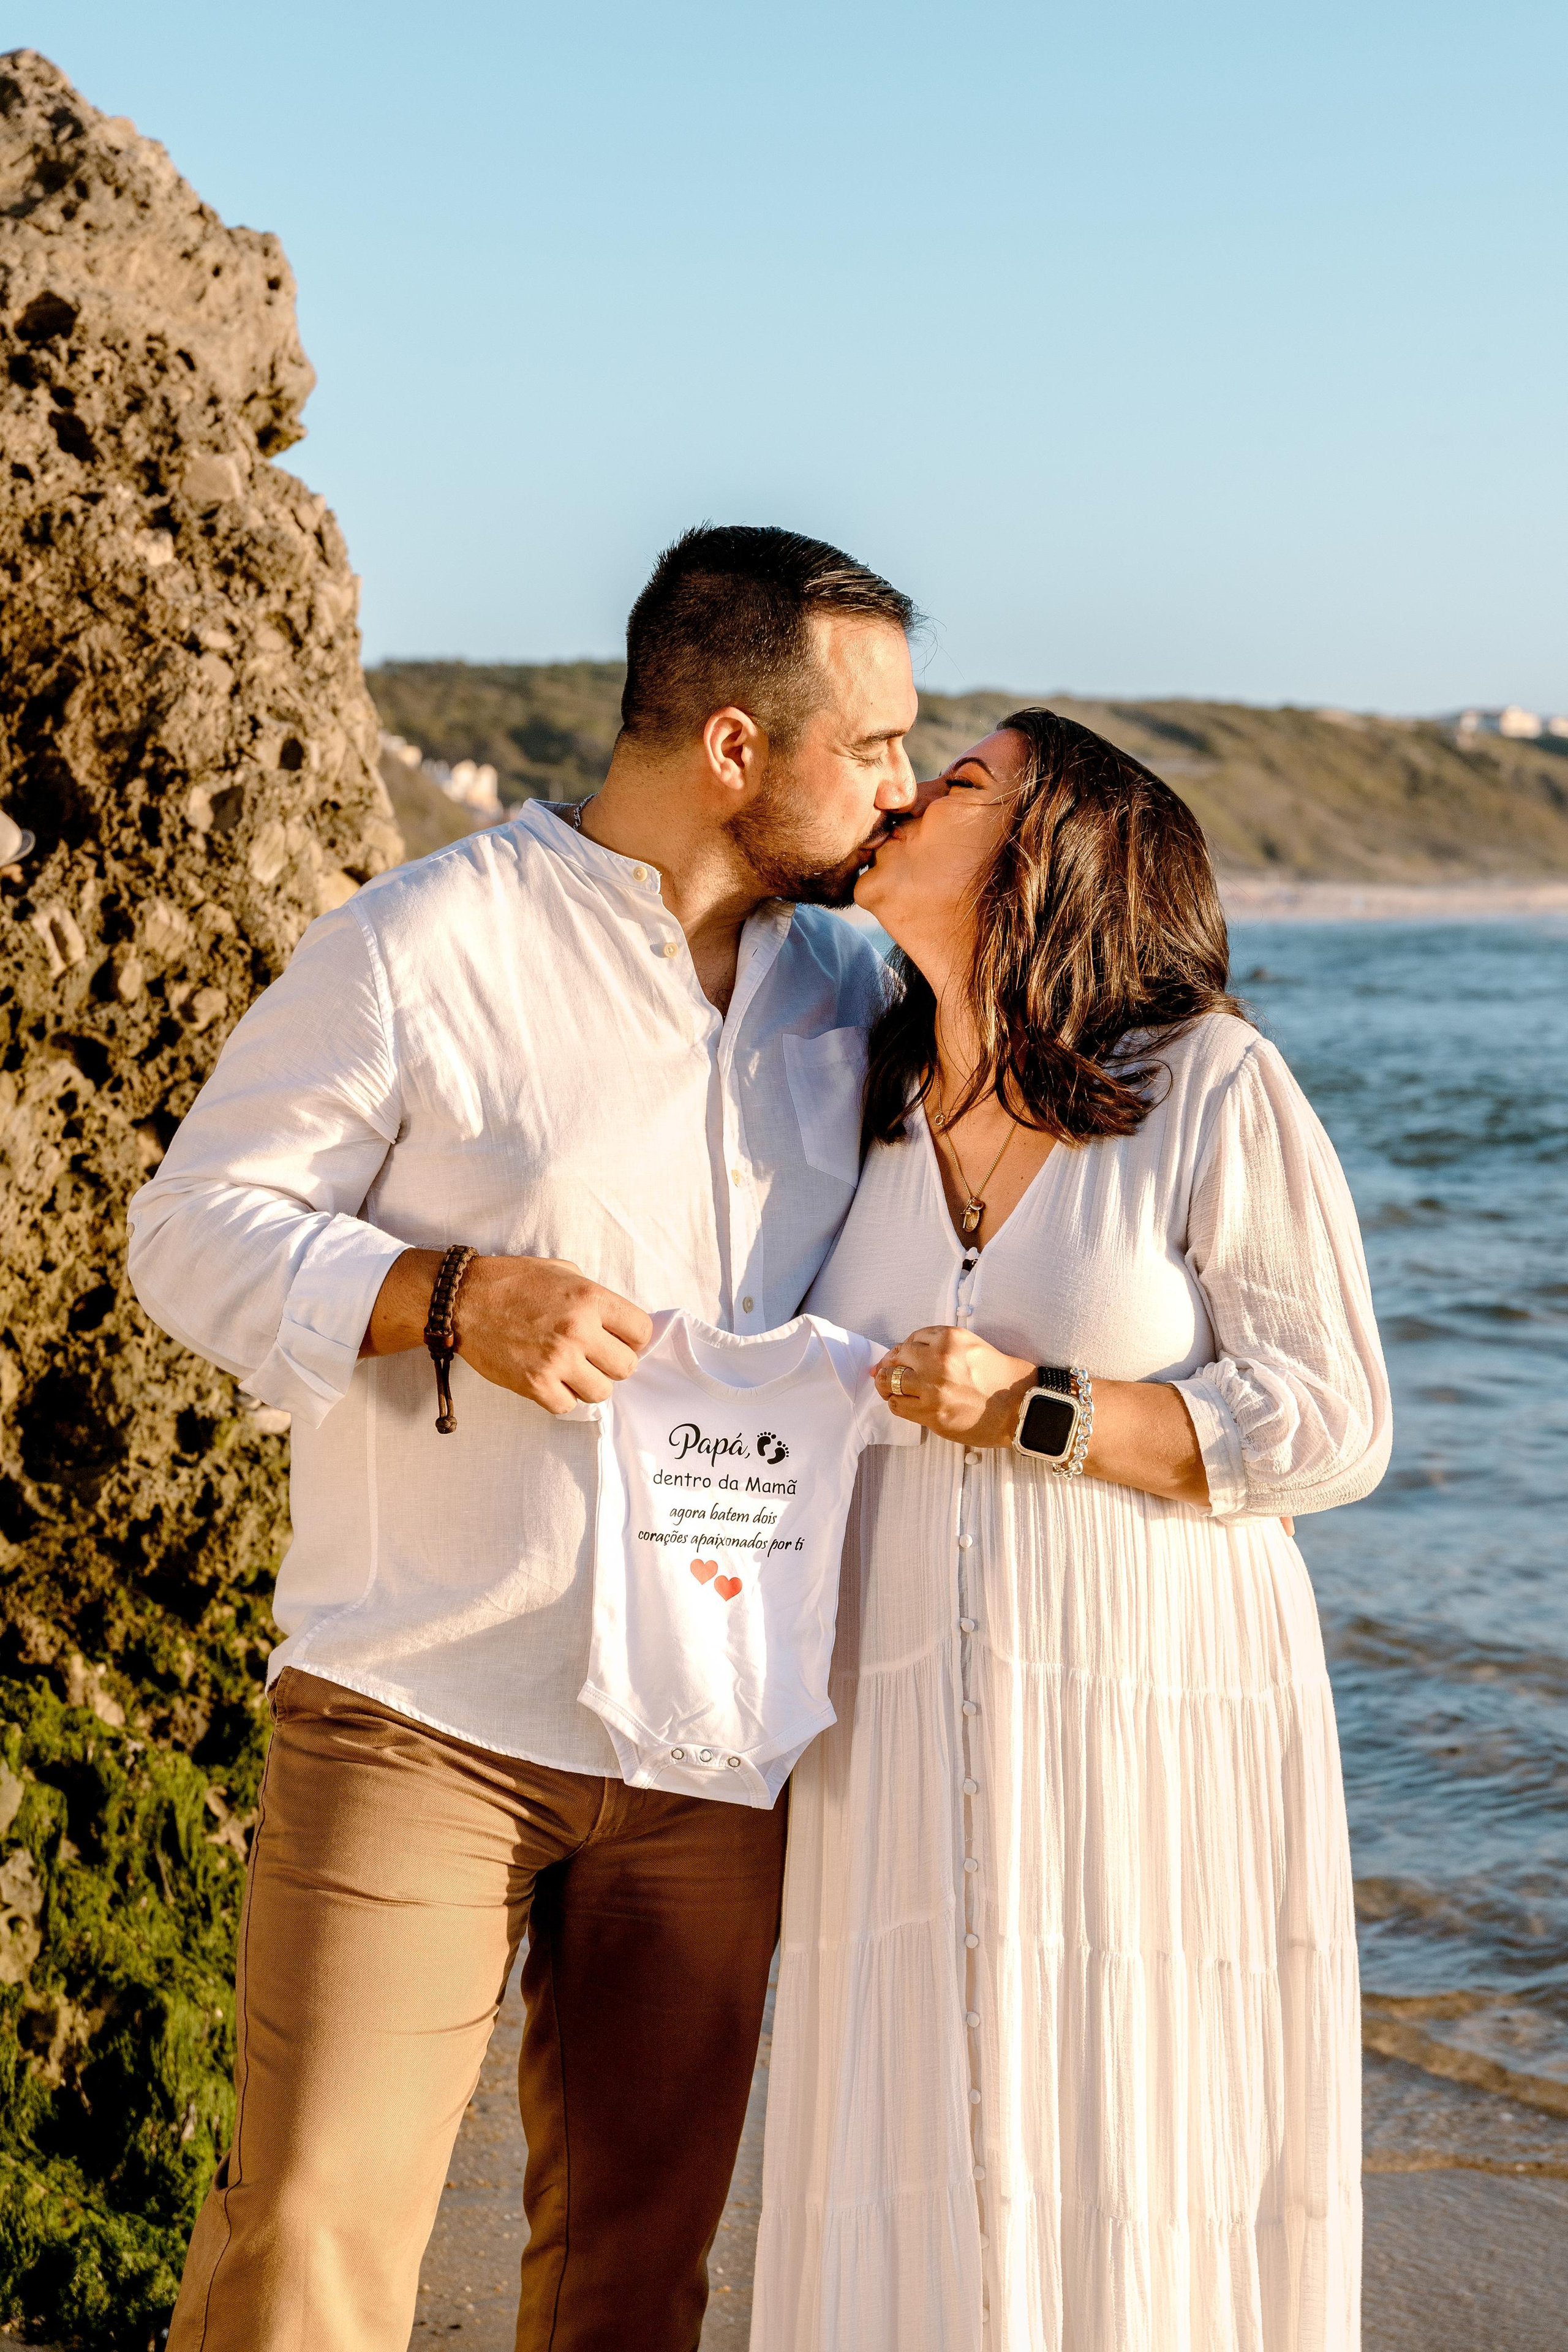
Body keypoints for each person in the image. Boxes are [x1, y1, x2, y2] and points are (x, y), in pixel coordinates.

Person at [126, 524, 919, 2352]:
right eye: (872, 744)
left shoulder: (858, 990)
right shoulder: (424, 942)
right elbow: (189, 1231)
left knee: (636, 2278)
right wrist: (453, 1293)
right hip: (425, 1707)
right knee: (308, 2239)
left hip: (717, 1741)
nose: (898, 779)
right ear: (736, 744)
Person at [752, 710, 1391, 2352]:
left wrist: (1041, 1409)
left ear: (1057, 849)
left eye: (959, 780)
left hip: (1145, 1716)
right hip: (892, 1729)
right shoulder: (861, 1109)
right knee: (911, 2131)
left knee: (1129, 2117)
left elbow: (1333, 1418)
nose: (905, 791)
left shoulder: (1207, 1082)